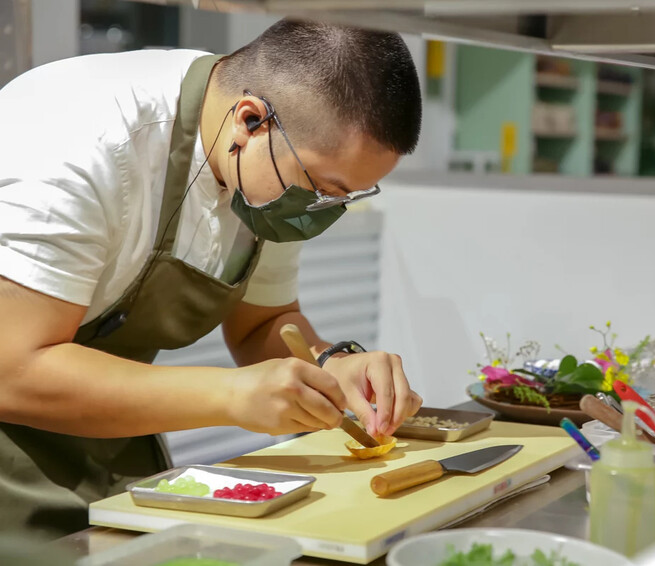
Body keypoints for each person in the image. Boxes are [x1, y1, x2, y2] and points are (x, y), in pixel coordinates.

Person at [0, 19, 423, 536]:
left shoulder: (263, 167)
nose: (323, 210)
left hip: (110, 443)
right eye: (321, 188)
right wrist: (231, 396)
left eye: (346, 197)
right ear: (250, 121)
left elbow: (261, 324)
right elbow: (12, 371)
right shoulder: (83, 140)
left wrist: (331, 365)